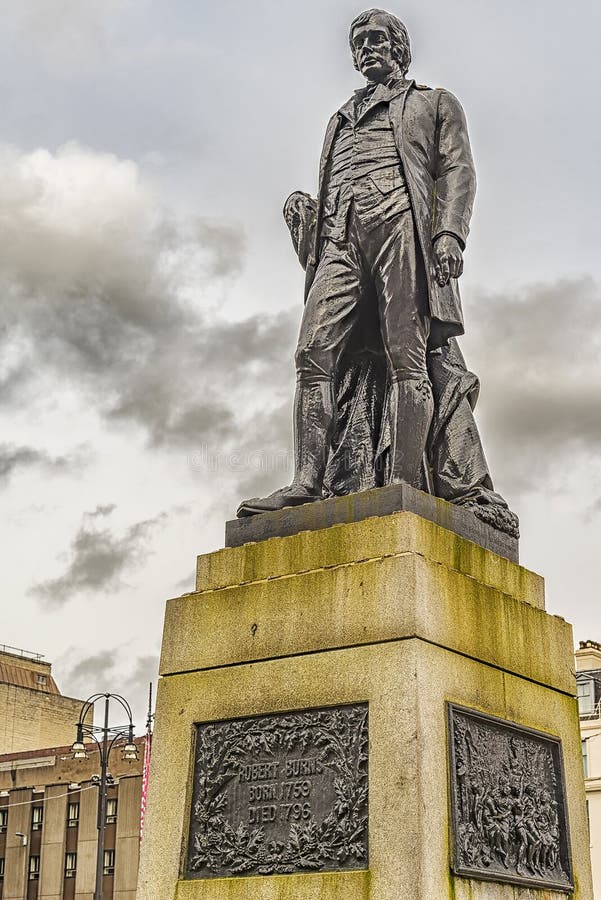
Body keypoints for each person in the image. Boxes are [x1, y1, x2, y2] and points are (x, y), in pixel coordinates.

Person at [238, 9, 517, 538]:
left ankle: (403, 482)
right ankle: (306, 482)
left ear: (399, 48)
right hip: (341, 238)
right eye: (358, 42)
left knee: (406, 355)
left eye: (376, 39)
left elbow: (457, 169)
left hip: (400, 226)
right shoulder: (339, 118)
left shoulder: (433, 102)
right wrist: (310, 212)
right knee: (311, 352)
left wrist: (449, 235)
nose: (366, 49)